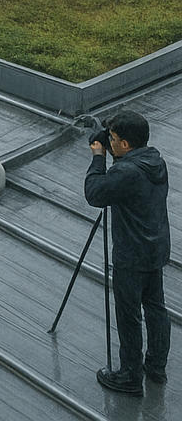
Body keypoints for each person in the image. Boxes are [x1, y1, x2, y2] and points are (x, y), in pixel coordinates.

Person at [84, 109, 170, 396]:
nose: (109, 142)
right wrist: (110, 140)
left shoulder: (125, 171)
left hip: (131, 256)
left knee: (129, 314)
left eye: (113, 139)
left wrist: (98, 157)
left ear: (125, 145)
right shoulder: (155, 160)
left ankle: (130, 376)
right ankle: (156, 365)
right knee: (156, 307)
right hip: (155, 248)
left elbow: (95, 193)